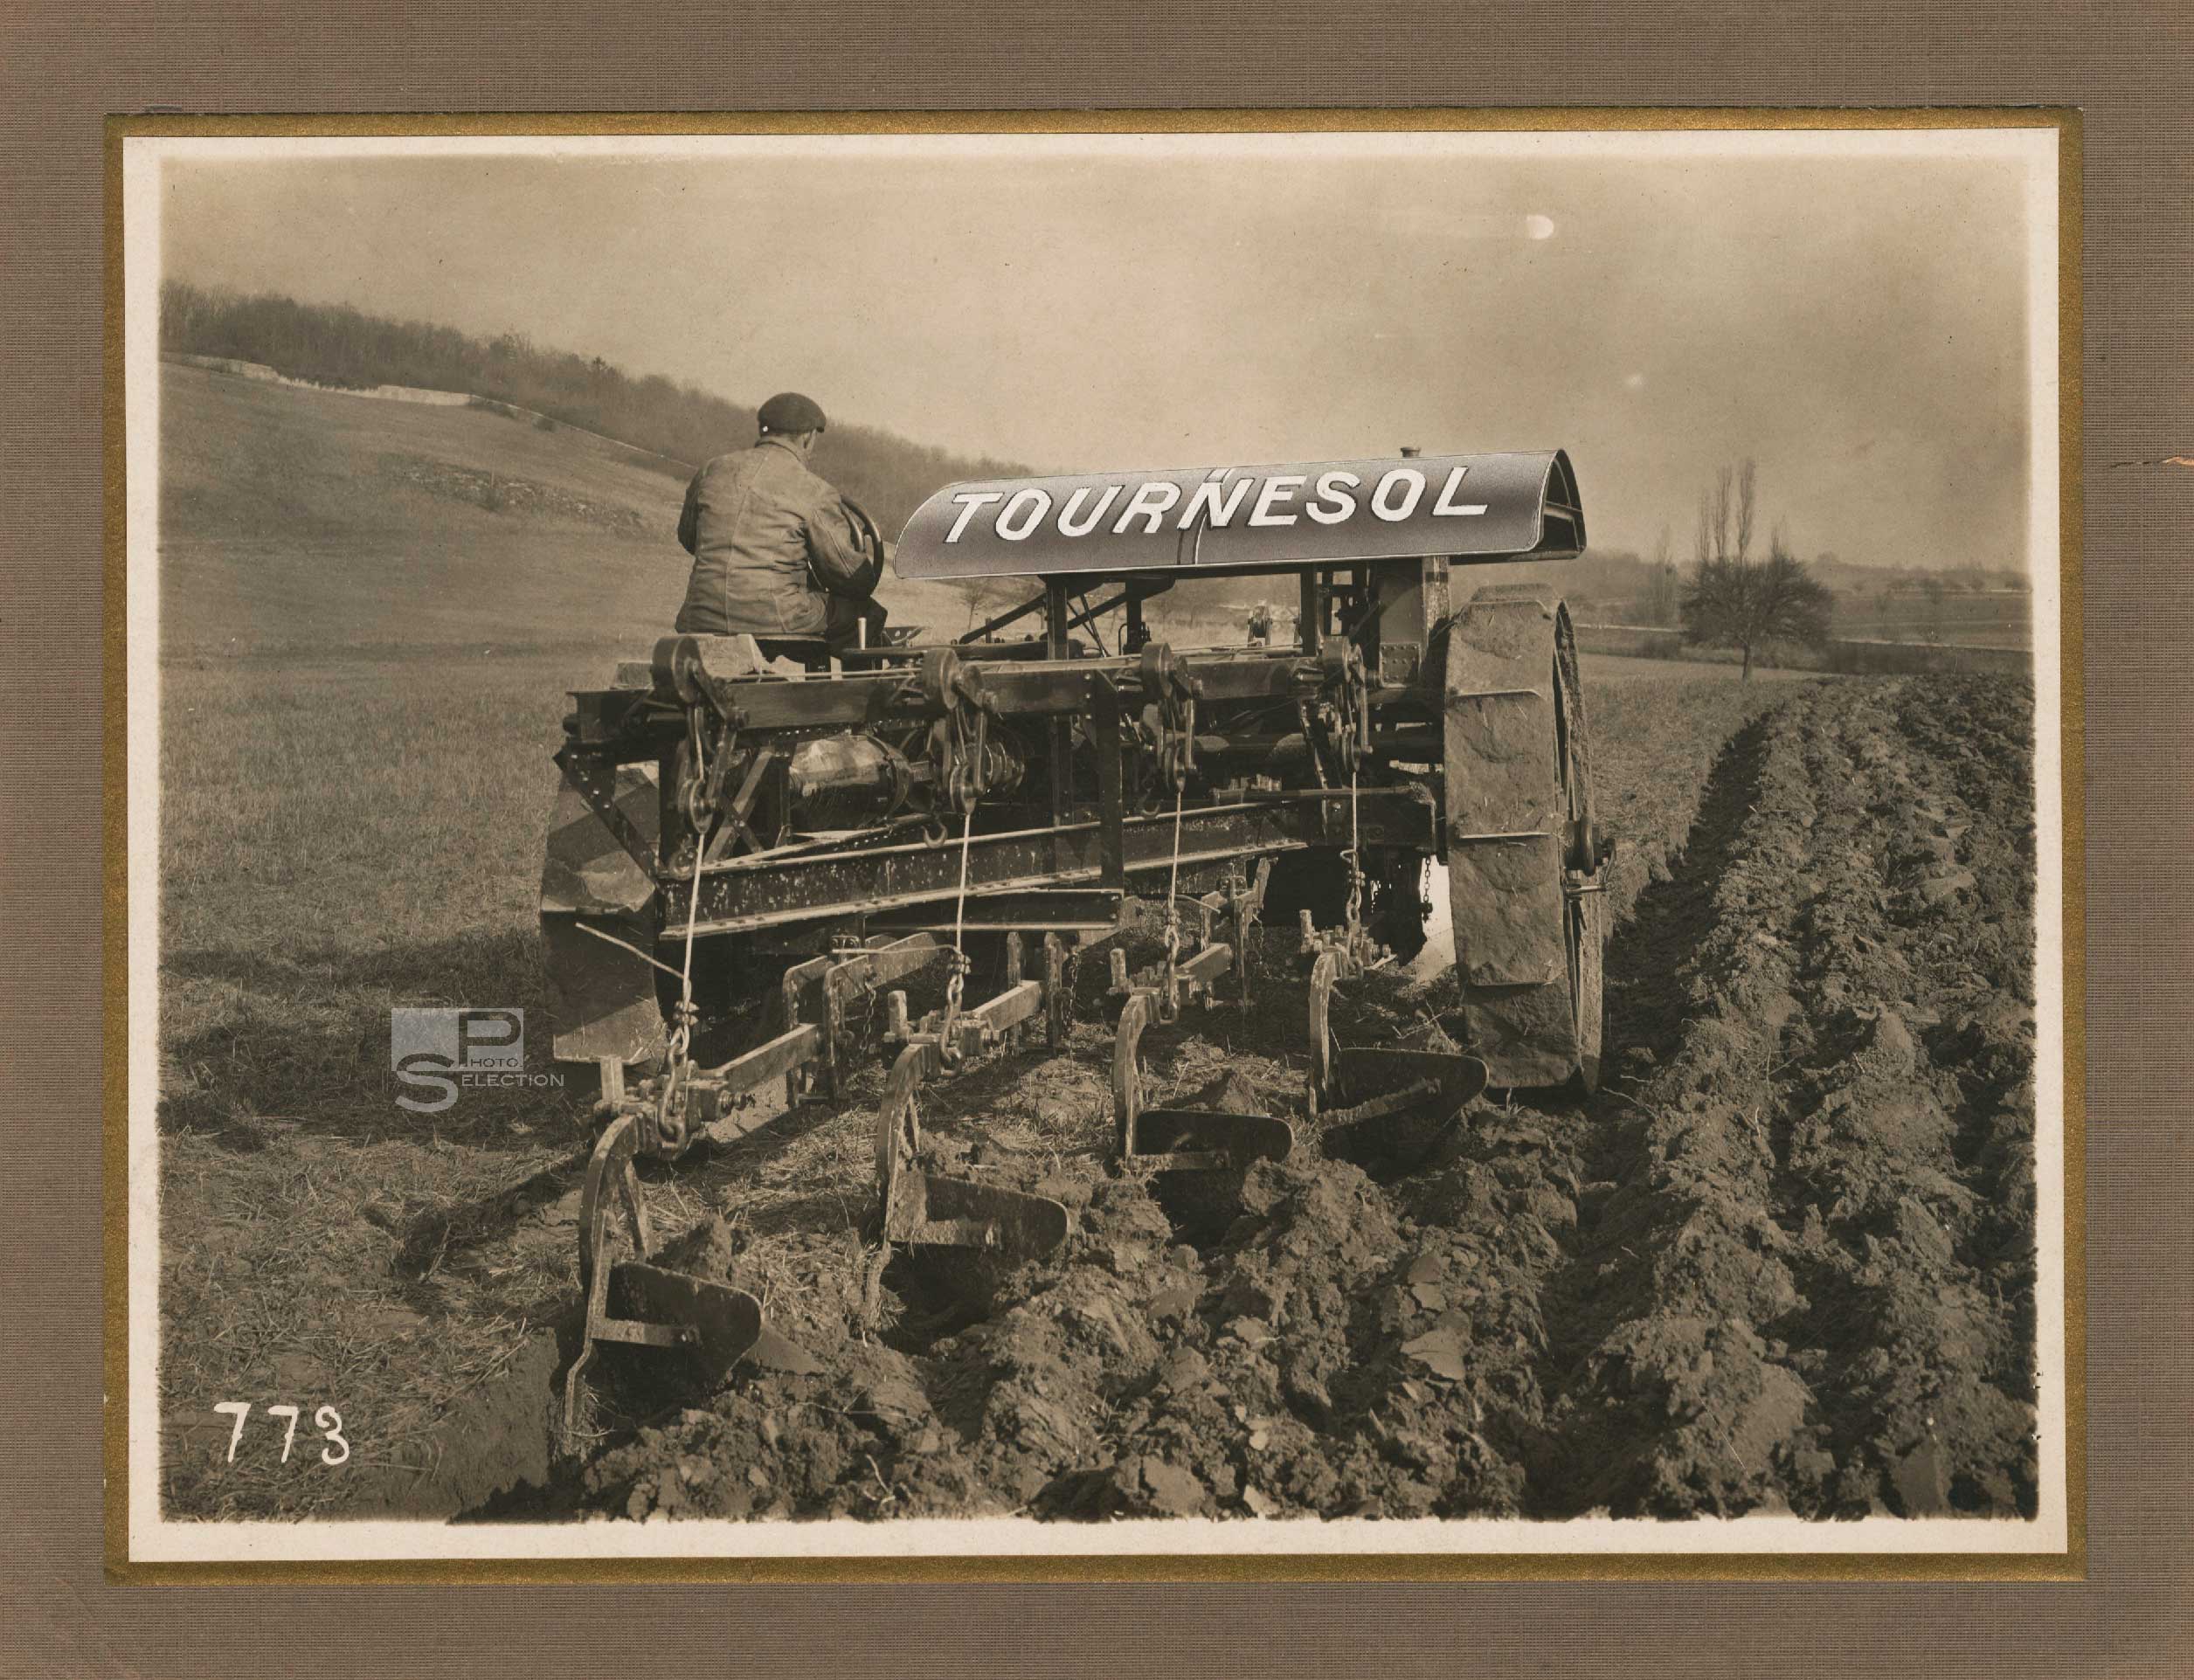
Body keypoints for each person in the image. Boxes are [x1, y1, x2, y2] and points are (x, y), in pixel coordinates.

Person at [673, 391, 888, 658]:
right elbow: (853, 579)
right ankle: (854, 696)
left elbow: (688, 537)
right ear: (808, 437)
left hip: (700, 617)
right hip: (777, 619)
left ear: (765, 430)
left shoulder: (711, 470)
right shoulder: (814, 490)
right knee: (867, 614)